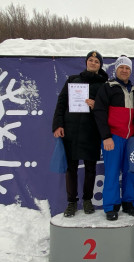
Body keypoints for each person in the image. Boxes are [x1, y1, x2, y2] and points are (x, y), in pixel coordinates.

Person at [52, 50, 108, 217]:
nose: (93, 63)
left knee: (91, 169)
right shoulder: (72, 80)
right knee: (71, 169)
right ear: (86, 62)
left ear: (100, 65)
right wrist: (58, 125)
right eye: (90, 60)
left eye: (96, 61)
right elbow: (61, 104)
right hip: (71, 132)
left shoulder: (104, 85)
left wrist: (96, 104)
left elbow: (107, 109)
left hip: (91, 132)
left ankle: (87, 200)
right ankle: (71, 202)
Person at [94, 55, 134, 221]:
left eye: (127, 68)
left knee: (131, 172)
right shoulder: (108, 87)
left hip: (131, 138)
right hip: (114, 137)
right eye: (122, 67)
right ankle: (111, 206)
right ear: (116, 69)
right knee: (112, 172)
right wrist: (106, 136)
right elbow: (99, 112)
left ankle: (129, 203)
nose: (125, 70)